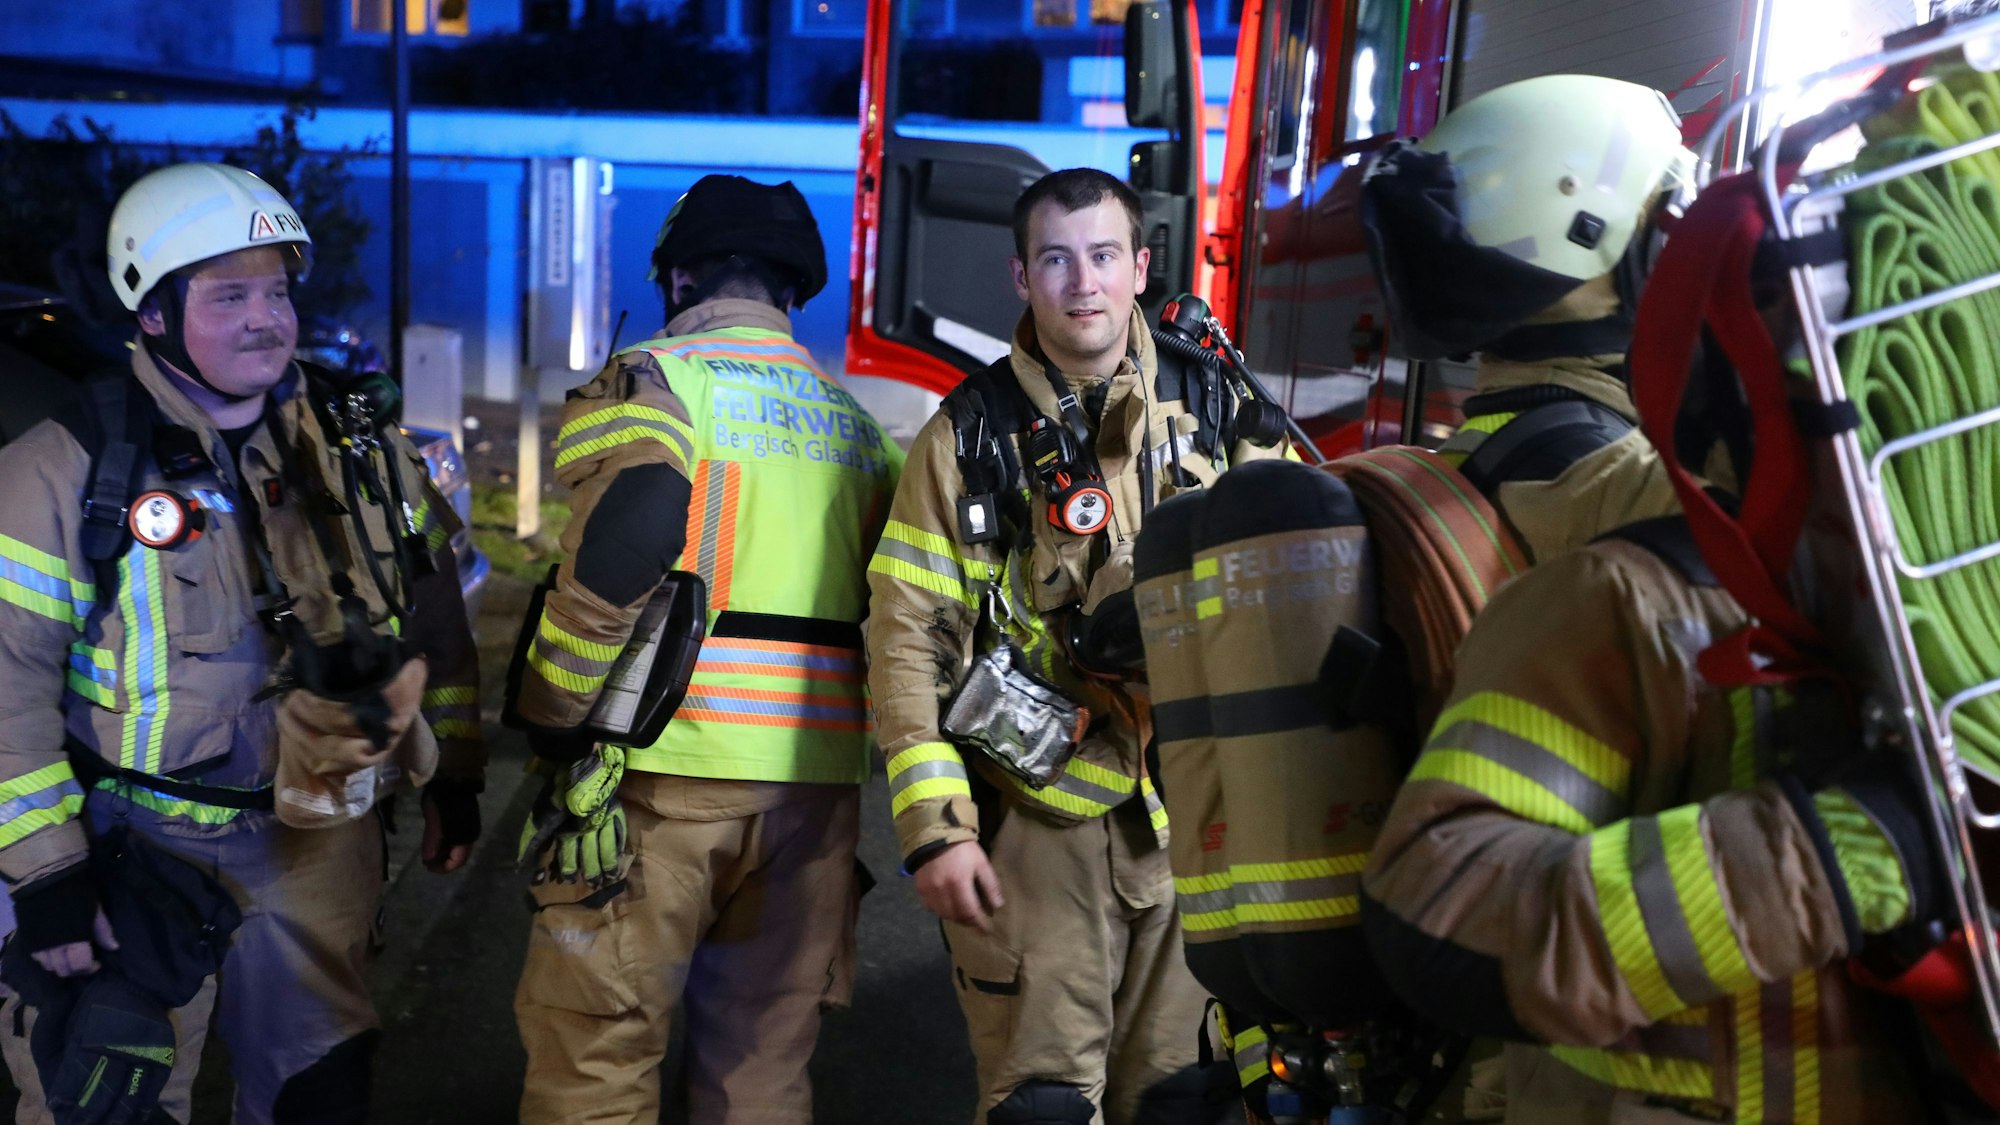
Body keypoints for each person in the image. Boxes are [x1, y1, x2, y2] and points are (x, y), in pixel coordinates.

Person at [0, 161, 484, 1124]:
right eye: (230, 296)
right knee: (110, 1100)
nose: (268, 319)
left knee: (320, 1094)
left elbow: (434, 617)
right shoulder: (63, 468)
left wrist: (456, 773)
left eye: (277, 292)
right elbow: (7, 691)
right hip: (130, 851)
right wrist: (48, 875)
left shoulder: (359, 452)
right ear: (152, 311)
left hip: (319, 843)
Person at [865, 166, 1285, 1125]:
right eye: (1056, 260)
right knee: (1044, 1104)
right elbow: (907, 636)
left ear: (1141, 265)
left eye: (1102, 255)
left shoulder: (1220, 400)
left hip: (1199, 811)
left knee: (1186, 1099)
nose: (1083, 282)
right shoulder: (968, 436)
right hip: (1042, 819)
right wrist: (937, 830)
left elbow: (1294, 582)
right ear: (1022, 276)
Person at [508, 173, 902, 1125]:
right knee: (762, 1072)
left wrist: (553, 716)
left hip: (666, 776)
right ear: (792, 290)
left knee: (598, 1057)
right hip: (814, 794)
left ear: (678, 278)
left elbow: (624, 543)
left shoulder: (654, 378)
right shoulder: (859, 428)